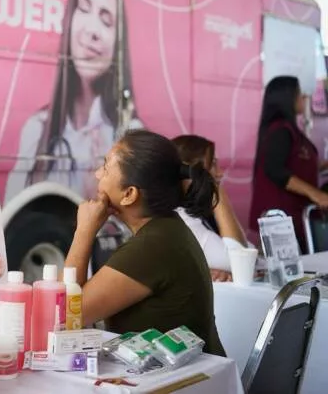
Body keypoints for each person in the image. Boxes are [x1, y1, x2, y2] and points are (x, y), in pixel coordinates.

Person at [64, 130, 225, 356]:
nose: (98, 174)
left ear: (129, 194)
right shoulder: (165, 228)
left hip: (185, 377)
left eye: (106, 167)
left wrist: (84, 230)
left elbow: (67, 314)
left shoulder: (154, 245)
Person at [6, 0, 141, 202]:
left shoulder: (131, 135)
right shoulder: (37, 130)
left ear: (118, 40)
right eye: (84, 8)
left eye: (106, 19)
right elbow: (12, 211)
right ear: (69, 17)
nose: (92, 30)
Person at [250, 75, 328, 253]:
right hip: (281, 221)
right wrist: (316, 194)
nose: (304, 97)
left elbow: (299, 166)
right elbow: (275, 170)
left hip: (297, 218)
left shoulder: (291, 131)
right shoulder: (280, 131)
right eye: (299, 93)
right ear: (287, 98)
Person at [172, 134, 249, 282]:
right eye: (213, 164)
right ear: (187, 171)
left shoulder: (199, 212)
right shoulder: (181, 218)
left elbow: (249, 253)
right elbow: (241, 262)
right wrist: (215, 189)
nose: (220, 173)